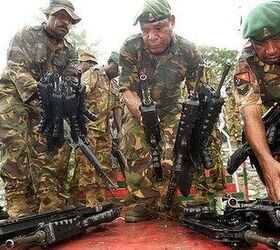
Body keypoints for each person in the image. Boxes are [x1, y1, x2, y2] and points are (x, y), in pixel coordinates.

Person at [119, 0, 224, 222]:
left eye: (159, 28)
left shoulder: (188, 50)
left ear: (172, 22)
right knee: (132, 139)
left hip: (173, 108)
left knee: (182, 146)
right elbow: (127, 91)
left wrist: (194, 121)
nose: (152, 36)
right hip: (140, 108)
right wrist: (145, 117)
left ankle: (178, 198)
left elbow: (200, 90)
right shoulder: (130, 48)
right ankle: (144, 202)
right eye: (145, 30)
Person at [0, 0, 80, 218]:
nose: (64, 22)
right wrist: (39, 91)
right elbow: (16, 67)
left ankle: (46, 196)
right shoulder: (25, 35)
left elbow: (72, 78)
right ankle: (16, 197)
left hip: (46, 102)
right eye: (60, 16)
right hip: (13, 93)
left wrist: (65, 98)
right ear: (48, 15)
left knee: (45, 144)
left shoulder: (71, 51)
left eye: (69, 19)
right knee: (15, 141)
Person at [233, 0, 280, 200]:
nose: (270, 50)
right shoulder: (246, 63)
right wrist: (267, 164)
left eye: (277, 39)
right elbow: (250, 113)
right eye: (260, 43)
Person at [70, 51, 122, 207]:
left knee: (103, 164)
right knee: (87, 164)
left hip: (104, 131)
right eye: (118, 68)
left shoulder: (114, 84)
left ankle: (93, 196)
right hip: (88, 128)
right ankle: (90, 199)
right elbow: (79, 95)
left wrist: (119, 130)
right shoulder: (94, 74)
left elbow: (117, 107)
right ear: (110, 62)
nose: (119, 73)